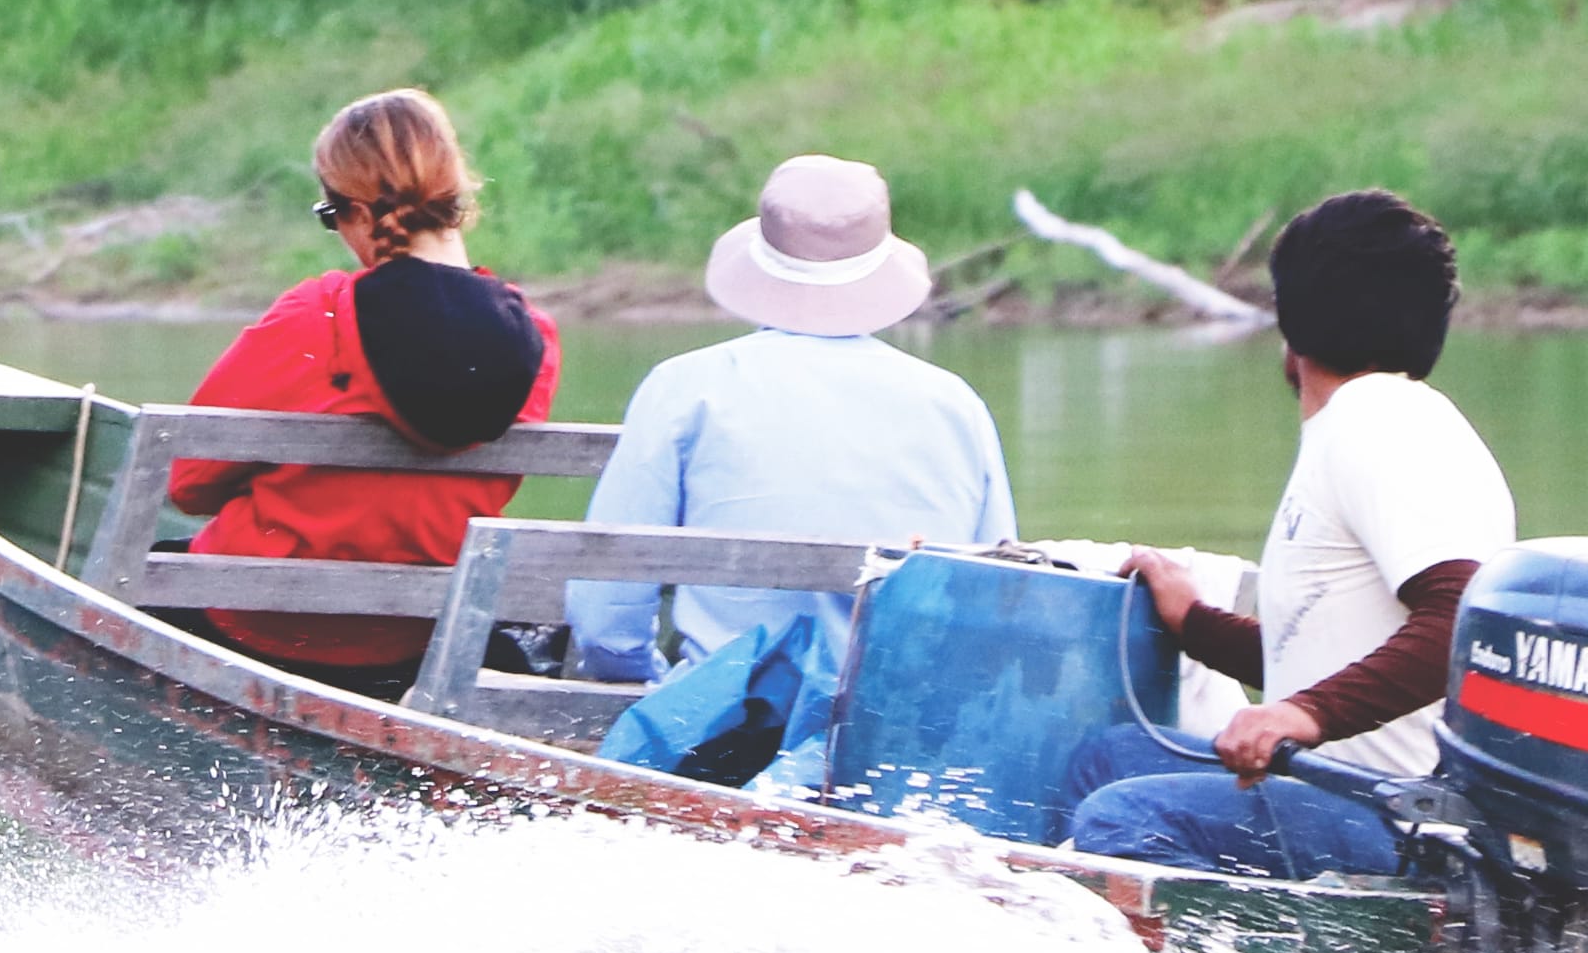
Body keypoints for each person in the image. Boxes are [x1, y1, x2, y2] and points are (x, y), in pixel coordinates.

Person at [1059, 189, 1513, 879]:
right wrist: (1194, 623)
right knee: (1109, 758)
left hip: (1394, 817)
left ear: (1291, 320)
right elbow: (1329, 651)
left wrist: (1299, 715)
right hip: (1335, 784)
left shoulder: (1381, 424)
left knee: (1122, 818)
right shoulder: (1366, 424)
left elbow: (1461, 617)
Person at [165, 88, 562, 698]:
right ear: (456, 195)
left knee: (156, 565)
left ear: (355, 211)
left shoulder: (316, 317)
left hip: (254, 619)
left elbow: (188, 481)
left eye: (331, 217)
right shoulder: (535, 340)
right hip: (414, 635)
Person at [559, 155, 1016, 684]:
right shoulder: (955, 404)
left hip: (726, 722)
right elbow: (997, 602)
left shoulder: (685, 387)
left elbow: (603, 614)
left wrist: (652, 682)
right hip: (893, 722)